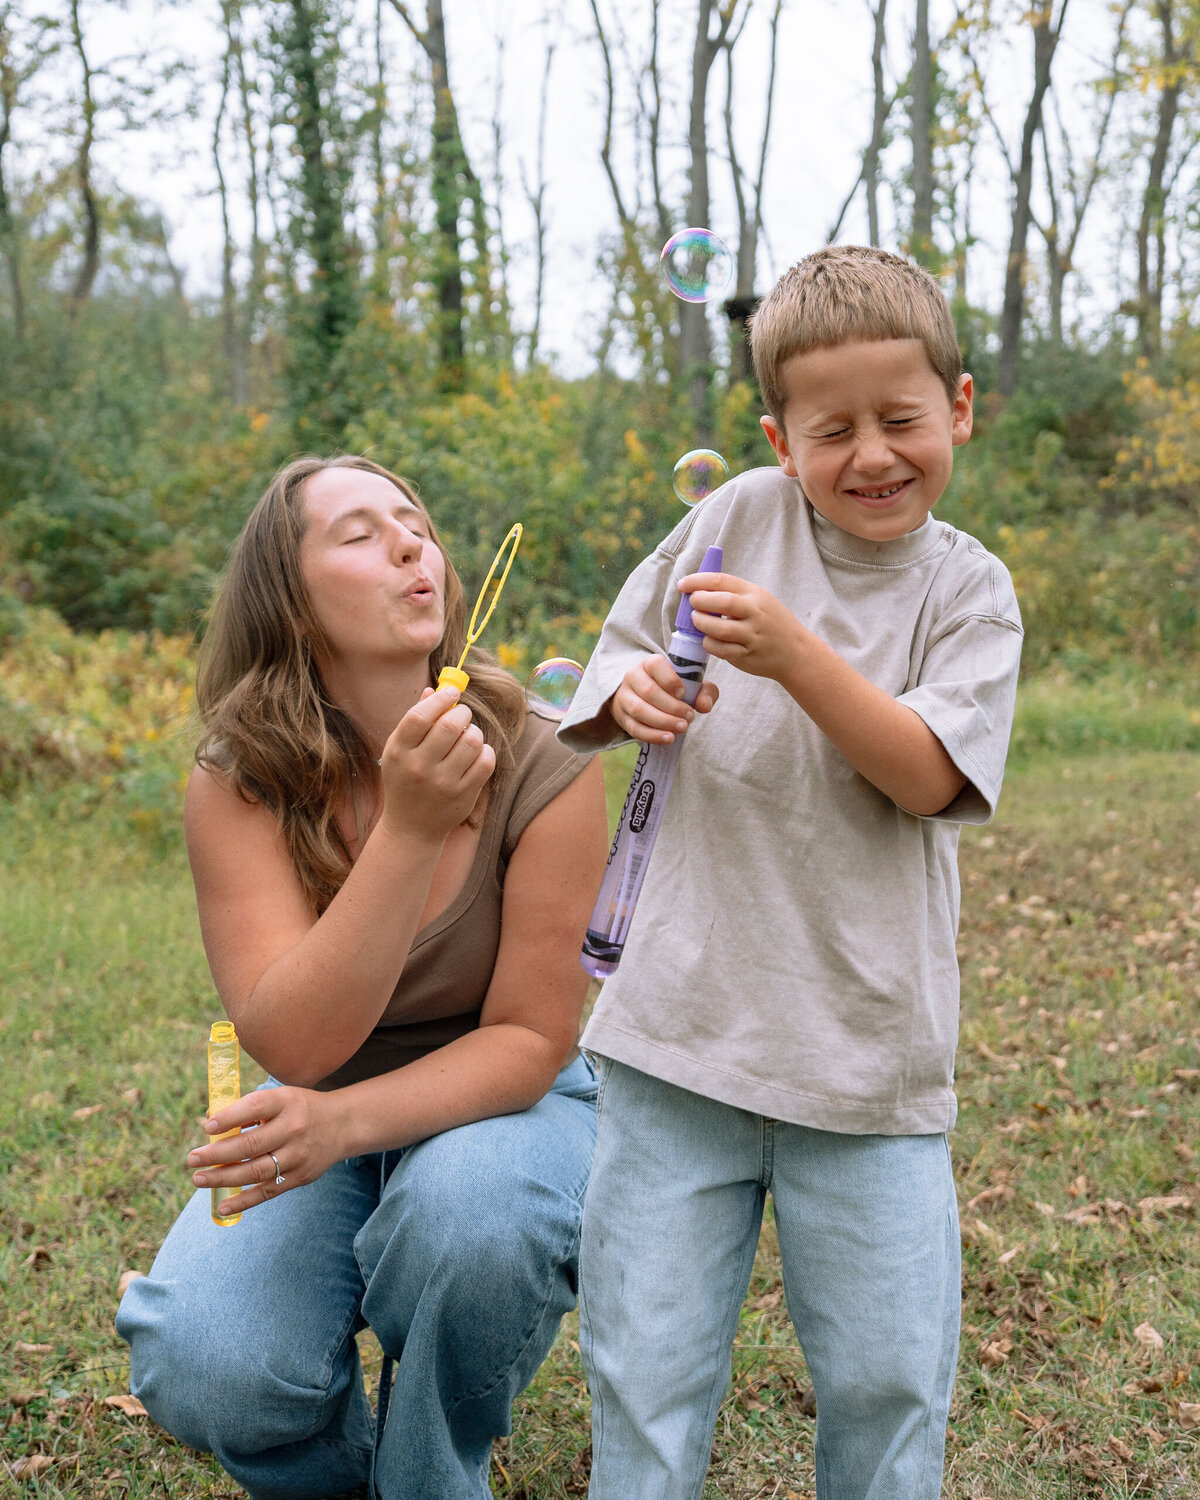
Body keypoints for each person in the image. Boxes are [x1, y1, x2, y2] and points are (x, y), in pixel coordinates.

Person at [556, 245, 1024, 1500]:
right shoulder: (734, 517)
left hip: (867, 1053)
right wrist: (633, 690)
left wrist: (802, 658)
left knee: (885, 1379)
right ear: (779, 436)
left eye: (901, 419)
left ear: (960, 409)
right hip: (678, 1030)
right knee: (643, 1368)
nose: (872, 455)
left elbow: (926, 774)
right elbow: (613, 667)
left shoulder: (970, 591)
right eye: (833, 431)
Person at [116, 455, 609, 1500]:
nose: (408, 546)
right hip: (317, 1099)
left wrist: (342, 1127)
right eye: (356, 534)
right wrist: (412, 829)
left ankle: (431, 1478)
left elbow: (530, 1040)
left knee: (474, 1219)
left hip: (505, 1108)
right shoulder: (241, 777)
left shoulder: (546, 756)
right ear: (292, 611)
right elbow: (294, 1047)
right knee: (208, 1363)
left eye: (416, 525)